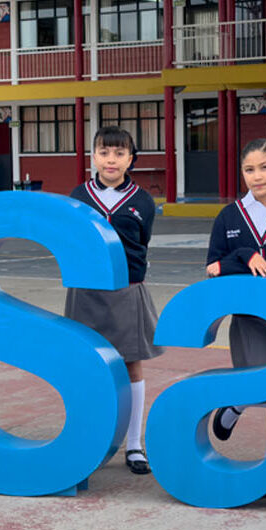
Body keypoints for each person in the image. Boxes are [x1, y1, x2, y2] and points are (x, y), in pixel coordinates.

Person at [64, 126, 162, 476]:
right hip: (86, 292)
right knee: (86, 366)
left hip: (126, 290)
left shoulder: (141, 201)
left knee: (131, 365)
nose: (111, 159)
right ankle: (90, 437)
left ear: (131, 159)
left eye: (120, 153)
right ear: (94, 156)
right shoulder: (79, 195)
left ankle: (134, 444)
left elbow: (142, 242)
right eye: (104, 152)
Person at [206, 138, 266, 452]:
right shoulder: (228, 216)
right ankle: (236, 405)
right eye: (249, 169)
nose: (257, 176)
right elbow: (213, 265)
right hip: (248, 316)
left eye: (264, 167)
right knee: (253, 378)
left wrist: (237, 261)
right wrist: (247, 255)